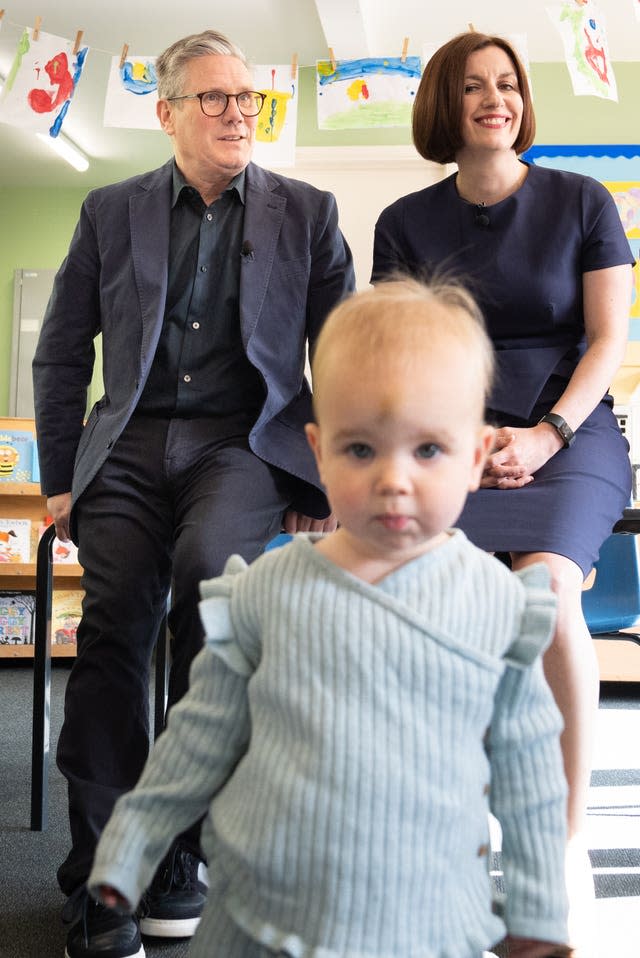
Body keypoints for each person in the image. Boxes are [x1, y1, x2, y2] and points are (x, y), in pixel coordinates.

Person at [87, 277, 571, 958]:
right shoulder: (264, 593)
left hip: (427, 921)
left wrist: (538, 909)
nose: (393, 479)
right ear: (317, 452)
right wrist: (130, 846)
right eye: (360, 449)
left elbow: (529, 777)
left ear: (477, 457)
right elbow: (198, 737)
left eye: (427, 449)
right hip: (260, 917)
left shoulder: (499, 608)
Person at [32, 28, 354, 958]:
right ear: (167, 111)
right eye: (214, 99)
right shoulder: (109, 210)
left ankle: (179, 854)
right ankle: (103, 874)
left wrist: (324, 473)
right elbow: (63, 352)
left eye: (248, 99)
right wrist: (60, 481)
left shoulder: (308, 211)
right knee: (113, 628)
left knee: (212, 594)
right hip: (127, 445)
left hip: (239, 445)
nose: (237, 114)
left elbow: (341, 360)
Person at [371, 30, 635, 957]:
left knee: (546, 588)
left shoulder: (581, 200)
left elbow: (606, 341)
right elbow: (403, 349)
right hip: (458, 435)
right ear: (446, 104)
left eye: (510, 84)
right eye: (477, 86)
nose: (498, 99)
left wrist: (546, 431)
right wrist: (457, 439)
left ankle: (559, 847)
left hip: (570, 430)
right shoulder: (405, 222)